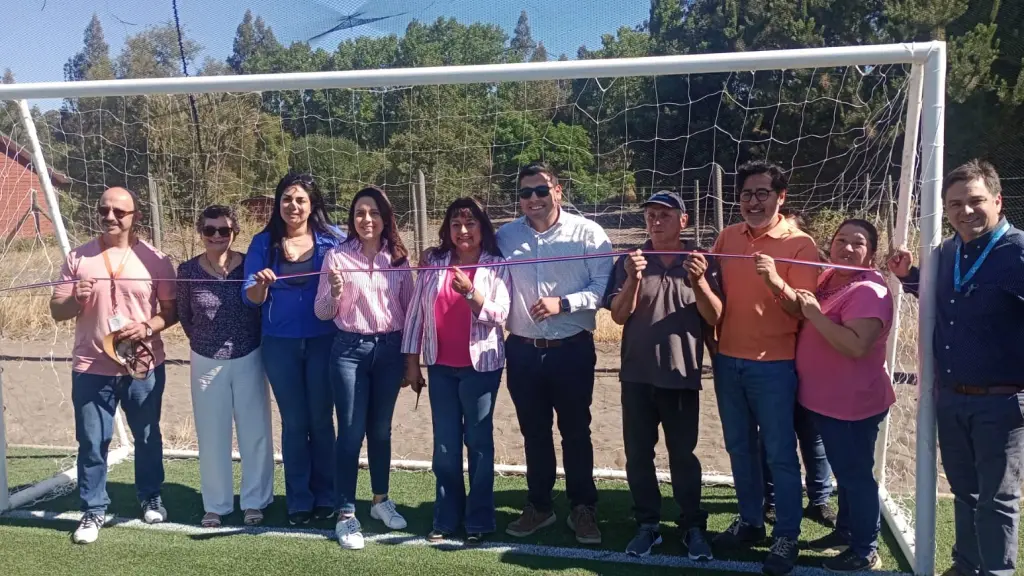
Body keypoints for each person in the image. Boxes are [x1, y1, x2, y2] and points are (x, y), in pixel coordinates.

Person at [888, 160, 1023, 576]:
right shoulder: (947, 252)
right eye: (955, 204)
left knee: (997, 499)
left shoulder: (1017, 252)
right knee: (964, 492)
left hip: (1000, 405)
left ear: (997, 201)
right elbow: (944, 299)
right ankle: (966, 565)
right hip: (950, 399)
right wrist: (909, 276)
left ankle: (996, 572)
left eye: (976, 201)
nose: (965, 211)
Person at [710, 161, 821, 576]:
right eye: (746, 194)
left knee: (779, 455)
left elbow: (803, 310)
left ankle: (786, 534)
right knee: (739, 449)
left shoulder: (800, 244)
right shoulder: (727, 236)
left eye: (763, 194)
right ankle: (751, 522)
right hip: (727, 362)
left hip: (774, 367)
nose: (754, 202)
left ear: (781, 197)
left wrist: (776, 281)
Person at [50, 186, 177, 544]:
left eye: (119, 212)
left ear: (135, 215)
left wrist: (147, 326)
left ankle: (150, 495)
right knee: (92, 441)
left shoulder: (157, 259)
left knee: (148, 436)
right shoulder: (78, 258)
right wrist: (76, 298)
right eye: (104, 210)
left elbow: (170, 312)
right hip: (92, 366)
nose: (110, 217)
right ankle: (93, 509)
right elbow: (57, 311)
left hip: (142, 364)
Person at [497, 161, 614, 545]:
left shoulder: (588, 233)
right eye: (525, 192)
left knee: (576, 431)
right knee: (534, 432)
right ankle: (540, 506)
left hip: (572, 350)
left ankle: (583, 508)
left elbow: (601, 289)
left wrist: (562, 303)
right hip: (522, 350)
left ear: (558, 191)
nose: (533, 198)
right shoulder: (505, 236)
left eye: (541, 190)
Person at [604, 191, 721, 560]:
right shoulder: (629, 260)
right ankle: (648, 524)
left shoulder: (703, 261)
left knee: (683, 455)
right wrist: (633, 279)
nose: (656, 221)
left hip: (682, 374)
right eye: (651, 214)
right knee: (639, 455)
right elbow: (619, 316)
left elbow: (715, 316)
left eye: (665, 215)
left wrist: (700, 281)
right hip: (637, 376)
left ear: (683, 220)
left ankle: (692, 526)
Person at [402, 197, 511, 546]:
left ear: (483, 228)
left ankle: (479, 519)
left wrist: (472, 294)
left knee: (479, 444)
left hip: (481, 369)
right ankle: (446, 518)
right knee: (446, 448)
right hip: (440, 368)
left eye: (470, 223)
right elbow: (417, 315)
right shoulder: (434, 263)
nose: (463, 231)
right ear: (447, 229)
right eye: (455, 224)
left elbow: (499, 315)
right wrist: (411, 362)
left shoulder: (496, 264)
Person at [243, 172, 343, 526]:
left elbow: (366, 259)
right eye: (287, 199)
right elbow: (251, 299)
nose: (293, 206)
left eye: (300, 199)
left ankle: (327, 497)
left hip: (324, 341)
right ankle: (299, 500)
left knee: (320, 420)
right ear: (278, 203)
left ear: (312, 204)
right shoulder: (263, 243)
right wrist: (261, 284)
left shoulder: (334, 240)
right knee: (294, 422)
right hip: (279, 345)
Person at [794, 219, 894, 572]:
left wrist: (813, 314)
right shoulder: (827, 277)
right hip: (825, 399)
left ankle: (865, 549)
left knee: (855, 476)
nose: (847, 248)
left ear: (871, 254)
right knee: (849, 473)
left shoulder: (869, 289)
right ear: (830, 243)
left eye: (858, 243)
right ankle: (848, 532)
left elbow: (855, 345)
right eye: (841, 240)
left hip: (852, 402)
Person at [314, 186, 412, 549]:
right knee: (351, 432)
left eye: (373, 213)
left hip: (388, 350)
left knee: (381, 431)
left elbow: (409, 309)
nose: (366, 219)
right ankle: (345, 514)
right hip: (349, 351)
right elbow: (322, 312)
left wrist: (409, 360)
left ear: (385, 218)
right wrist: (336, 293)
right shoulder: (336, 257)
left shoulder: (399, 259)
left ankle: (380, 501)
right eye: (359, 213)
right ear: (352, 219)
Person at [176, 204, 274, 528]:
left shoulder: (250, 265)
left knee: (255, 432)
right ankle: (216, 504)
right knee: (212, 434)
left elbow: (261, 307)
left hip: (249, 355)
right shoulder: (187, 270)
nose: (217, 236)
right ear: (200, 233)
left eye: (224, 230)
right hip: (205, 360)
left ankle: (254, 502)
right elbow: (185, 317)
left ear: (234, 233)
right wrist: (206, 343)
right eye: (209, 230)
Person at [760, 202, 836, 531]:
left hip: (811, 370)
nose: (784, 243)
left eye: (790, 234)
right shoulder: (760, 271)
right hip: (771, 362)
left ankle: (820, 499)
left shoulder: (823, 275)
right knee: (774, 437)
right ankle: (773, 500)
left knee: (813, 437)